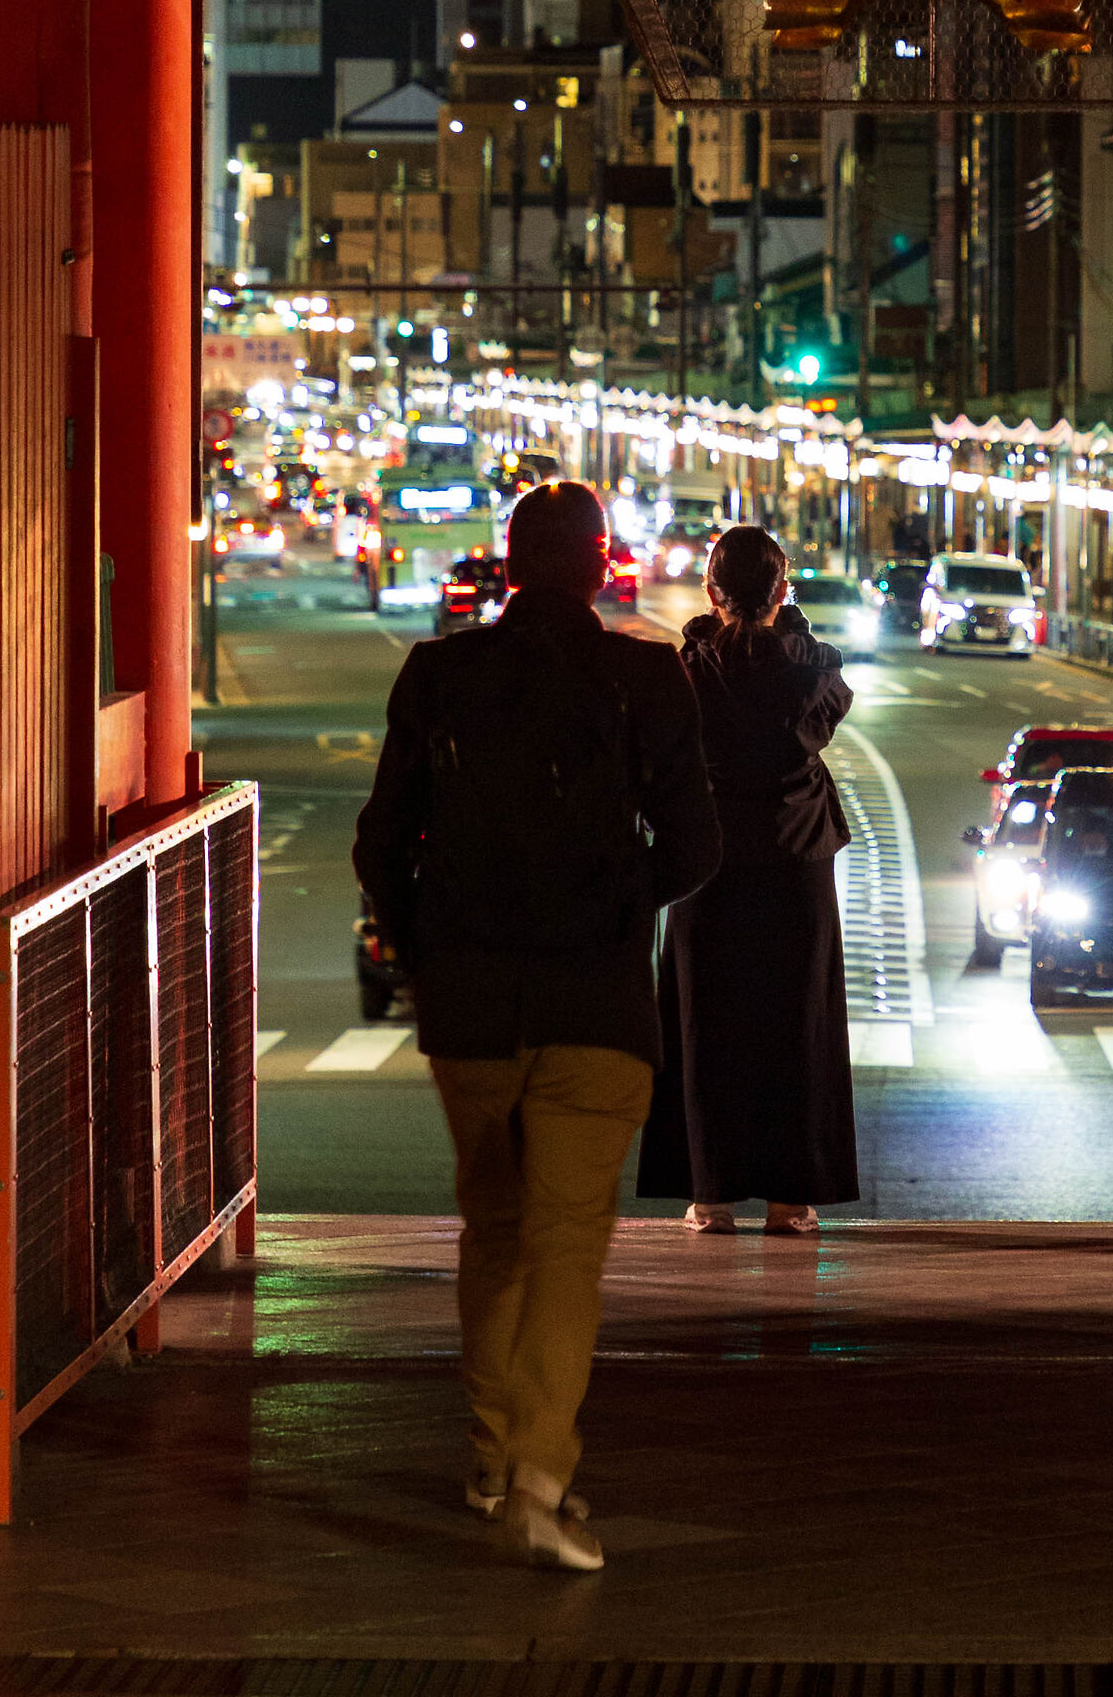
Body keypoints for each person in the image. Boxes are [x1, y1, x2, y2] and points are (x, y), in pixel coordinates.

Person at [354, 481, 720, 1572]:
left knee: (495, 1232)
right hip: (596, 1002)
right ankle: (539, 1479)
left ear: (508, 564)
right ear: (602, 564)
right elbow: (697, 846)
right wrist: (613, 903)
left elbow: (382, 844)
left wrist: (432, 948)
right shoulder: (645, 676)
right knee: (567, 1246)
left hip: (469, 1003)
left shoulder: (439, 674)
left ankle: (487, 1456)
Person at [637, 524, 860, 1233]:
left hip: (707, 860)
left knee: (705, 1023)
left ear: (712, 590)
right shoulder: (813, 671)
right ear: (782, 590)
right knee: (797, 1022)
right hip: (797, 858)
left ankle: (710, 1195)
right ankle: (792, 1199)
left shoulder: (689, 671)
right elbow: (828, 690)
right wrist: (783, 622)